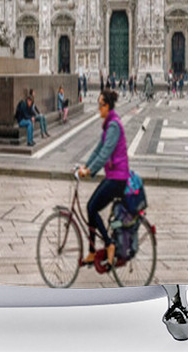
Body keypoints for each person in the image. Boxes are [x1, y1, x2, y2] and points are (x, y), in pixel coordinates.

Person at [77, 89, 129, 269]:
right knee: (91, 207)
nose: (98, 108)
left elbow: (105, 153)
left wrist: (90, 171)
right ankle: (92, 252)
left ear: (107, 106)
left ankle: (108, 244)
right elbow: (97, 150)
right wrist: (84, 166)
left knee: (92, 207)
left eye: (100, 105)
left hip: (118, 178)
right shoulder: (108, 125)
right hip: (114, 176)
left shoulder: (113, 126)